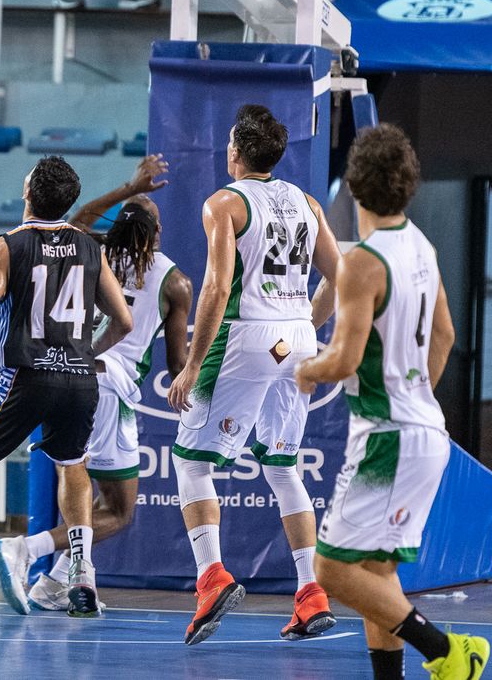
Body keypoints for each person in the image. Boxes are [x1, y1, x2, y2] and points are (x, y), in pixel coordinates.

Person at [296, 124, 490, 680]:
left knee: (331, 569)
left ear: (354, 188)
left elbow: (343, 361)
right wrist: (415, 391)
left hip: (387, 435)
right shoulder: (422, 247)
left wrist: (303, 370)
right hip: (425, 430)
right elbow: (447, 334)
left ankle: (449, 652)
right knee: (376, 572)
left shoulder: (363, 261)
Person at [0, 156, 134, 627]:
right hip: (79, 377)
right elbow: (125, 320)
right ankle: (81, 571)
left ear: (28, 192)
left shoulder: (8, 246)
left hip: (24, 376)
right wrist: (86, 351)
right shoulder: (90, 248)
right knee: (73, 466)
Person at [165, 104, 342, 646]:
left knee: (190, 463)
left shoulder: (224, 202)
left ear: (236, 152)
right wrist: (306, 325)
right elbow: (341, 276)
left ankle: (212, 578)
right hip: (298, 340)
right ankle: (311, 594)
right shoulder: (307, 202)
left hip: (246, 336)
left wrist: (192, 366)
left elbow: (217, 289)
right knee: (283, 465)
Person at [0, 154, 192, 613]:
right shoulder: (175, 281)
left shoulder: (90, 249)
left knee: (83, 489)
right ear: (158, 235)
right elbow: (178, 363)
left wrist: (128, 187)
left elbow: (73, 218)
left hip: (65, 376)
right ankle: (26, 550)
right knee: (118, 510)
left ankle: (57, 582)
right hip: (108, 385)